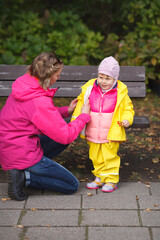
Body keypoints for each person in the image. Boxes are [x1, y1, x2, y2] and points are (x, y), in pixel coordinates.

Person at [0, 51, 91, 200]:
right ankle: (24, 176)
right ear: (48, 76)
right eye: (57, 75)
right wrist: (84, 116)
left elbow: (36, 115)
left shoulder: (26, 84)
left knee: (64, 130)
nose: (58, 77)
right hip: (21, 153)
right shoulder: (39, 101)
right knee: (71, 185)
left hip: (9, 146)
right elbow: (65, 136)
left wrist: (66, 111)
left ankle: (24, 170)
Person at [71, 56, 135, 192]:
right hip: (93, 131)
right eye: (101, 77)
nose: (103, 81)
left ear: (115, 79)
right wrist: (75, 121)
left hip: (111, 132)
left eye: (107, 78)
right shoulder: (90, 89)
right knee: (95, 155)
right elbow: (80, 105)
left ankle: (111, 179)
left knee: (110, 156)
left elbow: (128, 108)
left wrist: (127, 119)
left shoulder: (120, 93)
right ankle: (99, 176)